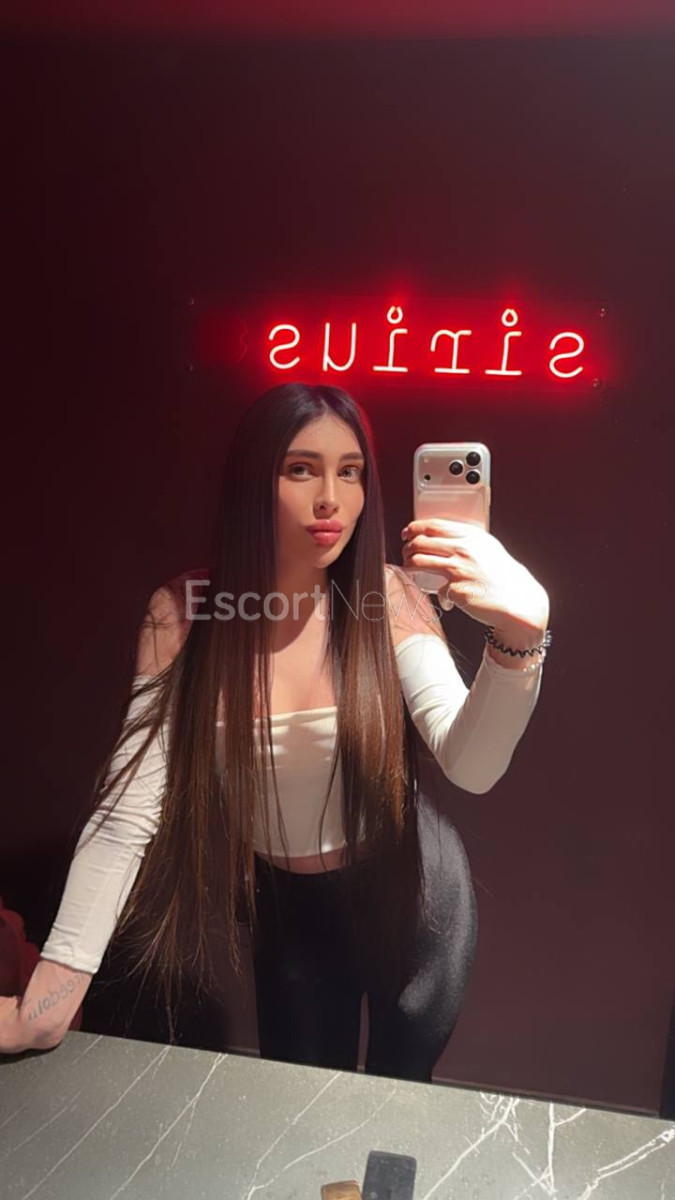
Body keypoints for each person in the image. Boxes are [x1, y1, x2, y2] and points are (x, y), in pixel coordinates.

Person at [0, 383, 550, 1080]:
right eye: (300, 469)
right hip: (289, 913)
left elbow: (471, 765)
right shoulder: (187, 613)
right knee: (300, 1098)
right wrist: (48, 1005)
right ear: (253, 481)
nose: (330, 499)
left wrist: (518, 639)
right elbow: (127, 813)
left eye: (350, 472)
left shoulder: (387, 597)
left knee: (400, 1103)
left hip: (413, 897)